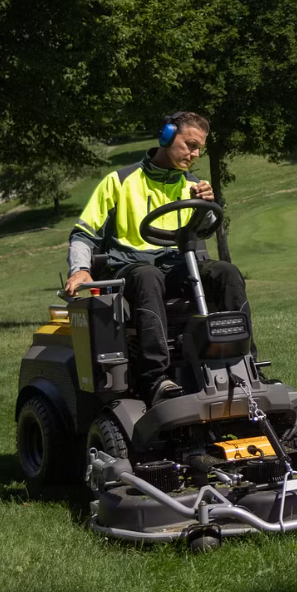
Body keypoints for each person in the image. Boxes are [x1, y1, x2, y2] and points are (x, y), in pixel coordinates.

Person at [65, 111, 247, 406]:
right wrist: (81, 270)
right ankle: (155, 378)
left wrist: (206, 205)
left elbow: (199, 232)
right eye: (190, 144)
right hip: (131, 269)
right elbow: (84, 234)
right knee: (149, 277)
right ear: (166, 136)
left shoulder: (192, 185)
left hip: (177, 265)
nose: (195, 153)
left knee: (226, 272)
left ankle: (242, 363)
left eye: (200, 148)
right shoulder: (119, 181)